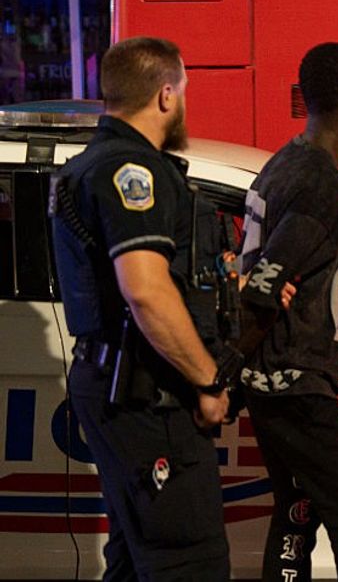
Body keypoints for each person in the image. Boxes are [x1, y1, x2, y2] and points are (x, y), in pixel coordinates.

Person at [49, 36, 232, 580]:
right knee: (188, 565)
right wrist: (208, 381)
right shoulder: (133, 171)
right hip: (146, 400)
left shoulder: (93, 163)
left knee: (135, 561)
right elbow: (146, 290)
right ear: (166, 95)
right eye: (185, 92)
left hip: (118, 384)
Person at [237, 42, 338, 581]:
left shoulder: (285, 160)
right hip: (296, 383)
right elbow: (265, 283)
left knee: (299, 513)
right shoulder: (319, 179)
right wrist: (220, 373)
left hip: (271, 381)